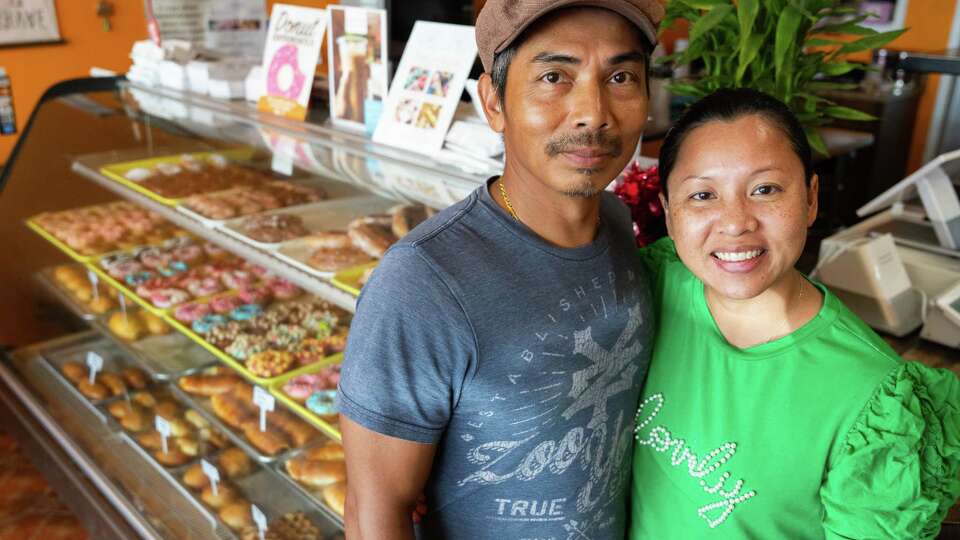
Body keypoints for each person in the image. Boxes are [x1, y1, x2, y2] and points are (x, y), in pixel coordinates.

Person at [336, 1, 664, 538]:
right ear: (493, 102)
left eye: (621, 76)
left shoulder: (618, 221)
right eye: (554, 76)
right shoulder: (423, 282)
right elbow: (375, 510)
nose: (594, 112)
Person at [630, 87, 960, 539]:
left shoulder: (872, 401)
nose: (735, 222)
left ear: (810, 199)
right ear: (669, 213)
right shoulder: (656, 283)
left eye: (764, 189)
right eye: (702, 195)